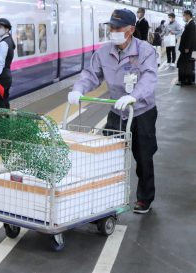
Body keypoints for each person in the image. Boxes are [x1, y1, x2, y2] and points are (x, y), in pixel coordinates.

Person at [68, 9, 158, 214]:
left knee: (144, 156)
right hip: (118, 111)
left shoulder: (145, 51)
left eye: (117, 28)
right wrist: (78, 89)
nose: (113, 31)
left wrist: (134, 95)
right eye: (111, 27)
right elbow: (91, 74)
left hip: (142, 111)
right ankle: (106, 196)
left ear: (131, 30)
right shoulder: (103, 52)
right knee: (108, 156)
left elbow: (150, 77)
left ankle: (145, 198)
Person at [0, 18, 16, 109]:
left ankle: (1, 123)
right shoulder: (9, 40)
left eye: (0, 27)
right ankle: (7, 122)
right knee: (4, 101)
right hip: (6, 75)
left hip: (1, 77)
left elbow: (0, 62)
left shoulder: (3, 43)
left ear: (7, 29)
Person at [176, 10, 196, 86]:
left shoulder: (191, 24)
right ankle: (184, 80)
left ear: (188, 15)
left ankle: (186, 80)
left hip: (187, 49)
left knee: (185, 64)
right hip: (185, 48)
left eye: (184, 15)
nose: (183, 17)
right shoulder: (189, 24)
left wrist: (187, 47)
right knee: (184, 64)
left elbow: (191, 37)